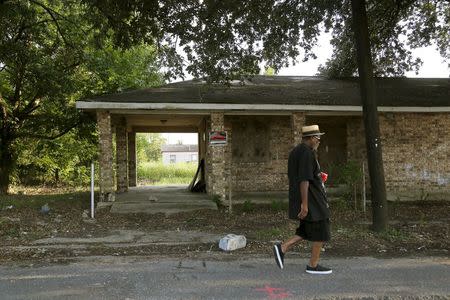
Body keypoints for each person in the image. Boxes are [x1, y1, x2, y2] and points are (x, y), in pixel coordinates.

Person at [273, 124, 332, 274]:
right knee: (322, 228)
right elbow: (304, 179)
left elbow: (305, 175)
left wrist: (318, 177)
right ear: (311, 138)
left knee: (306, 229)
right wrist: (305, 205)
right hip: (312, 200)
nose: (319, 141)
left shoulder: (296, 151)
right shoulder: (307, 153)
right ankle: (313, 266)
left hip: (308, 196)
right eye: (318, 138)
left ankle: (282, 248)